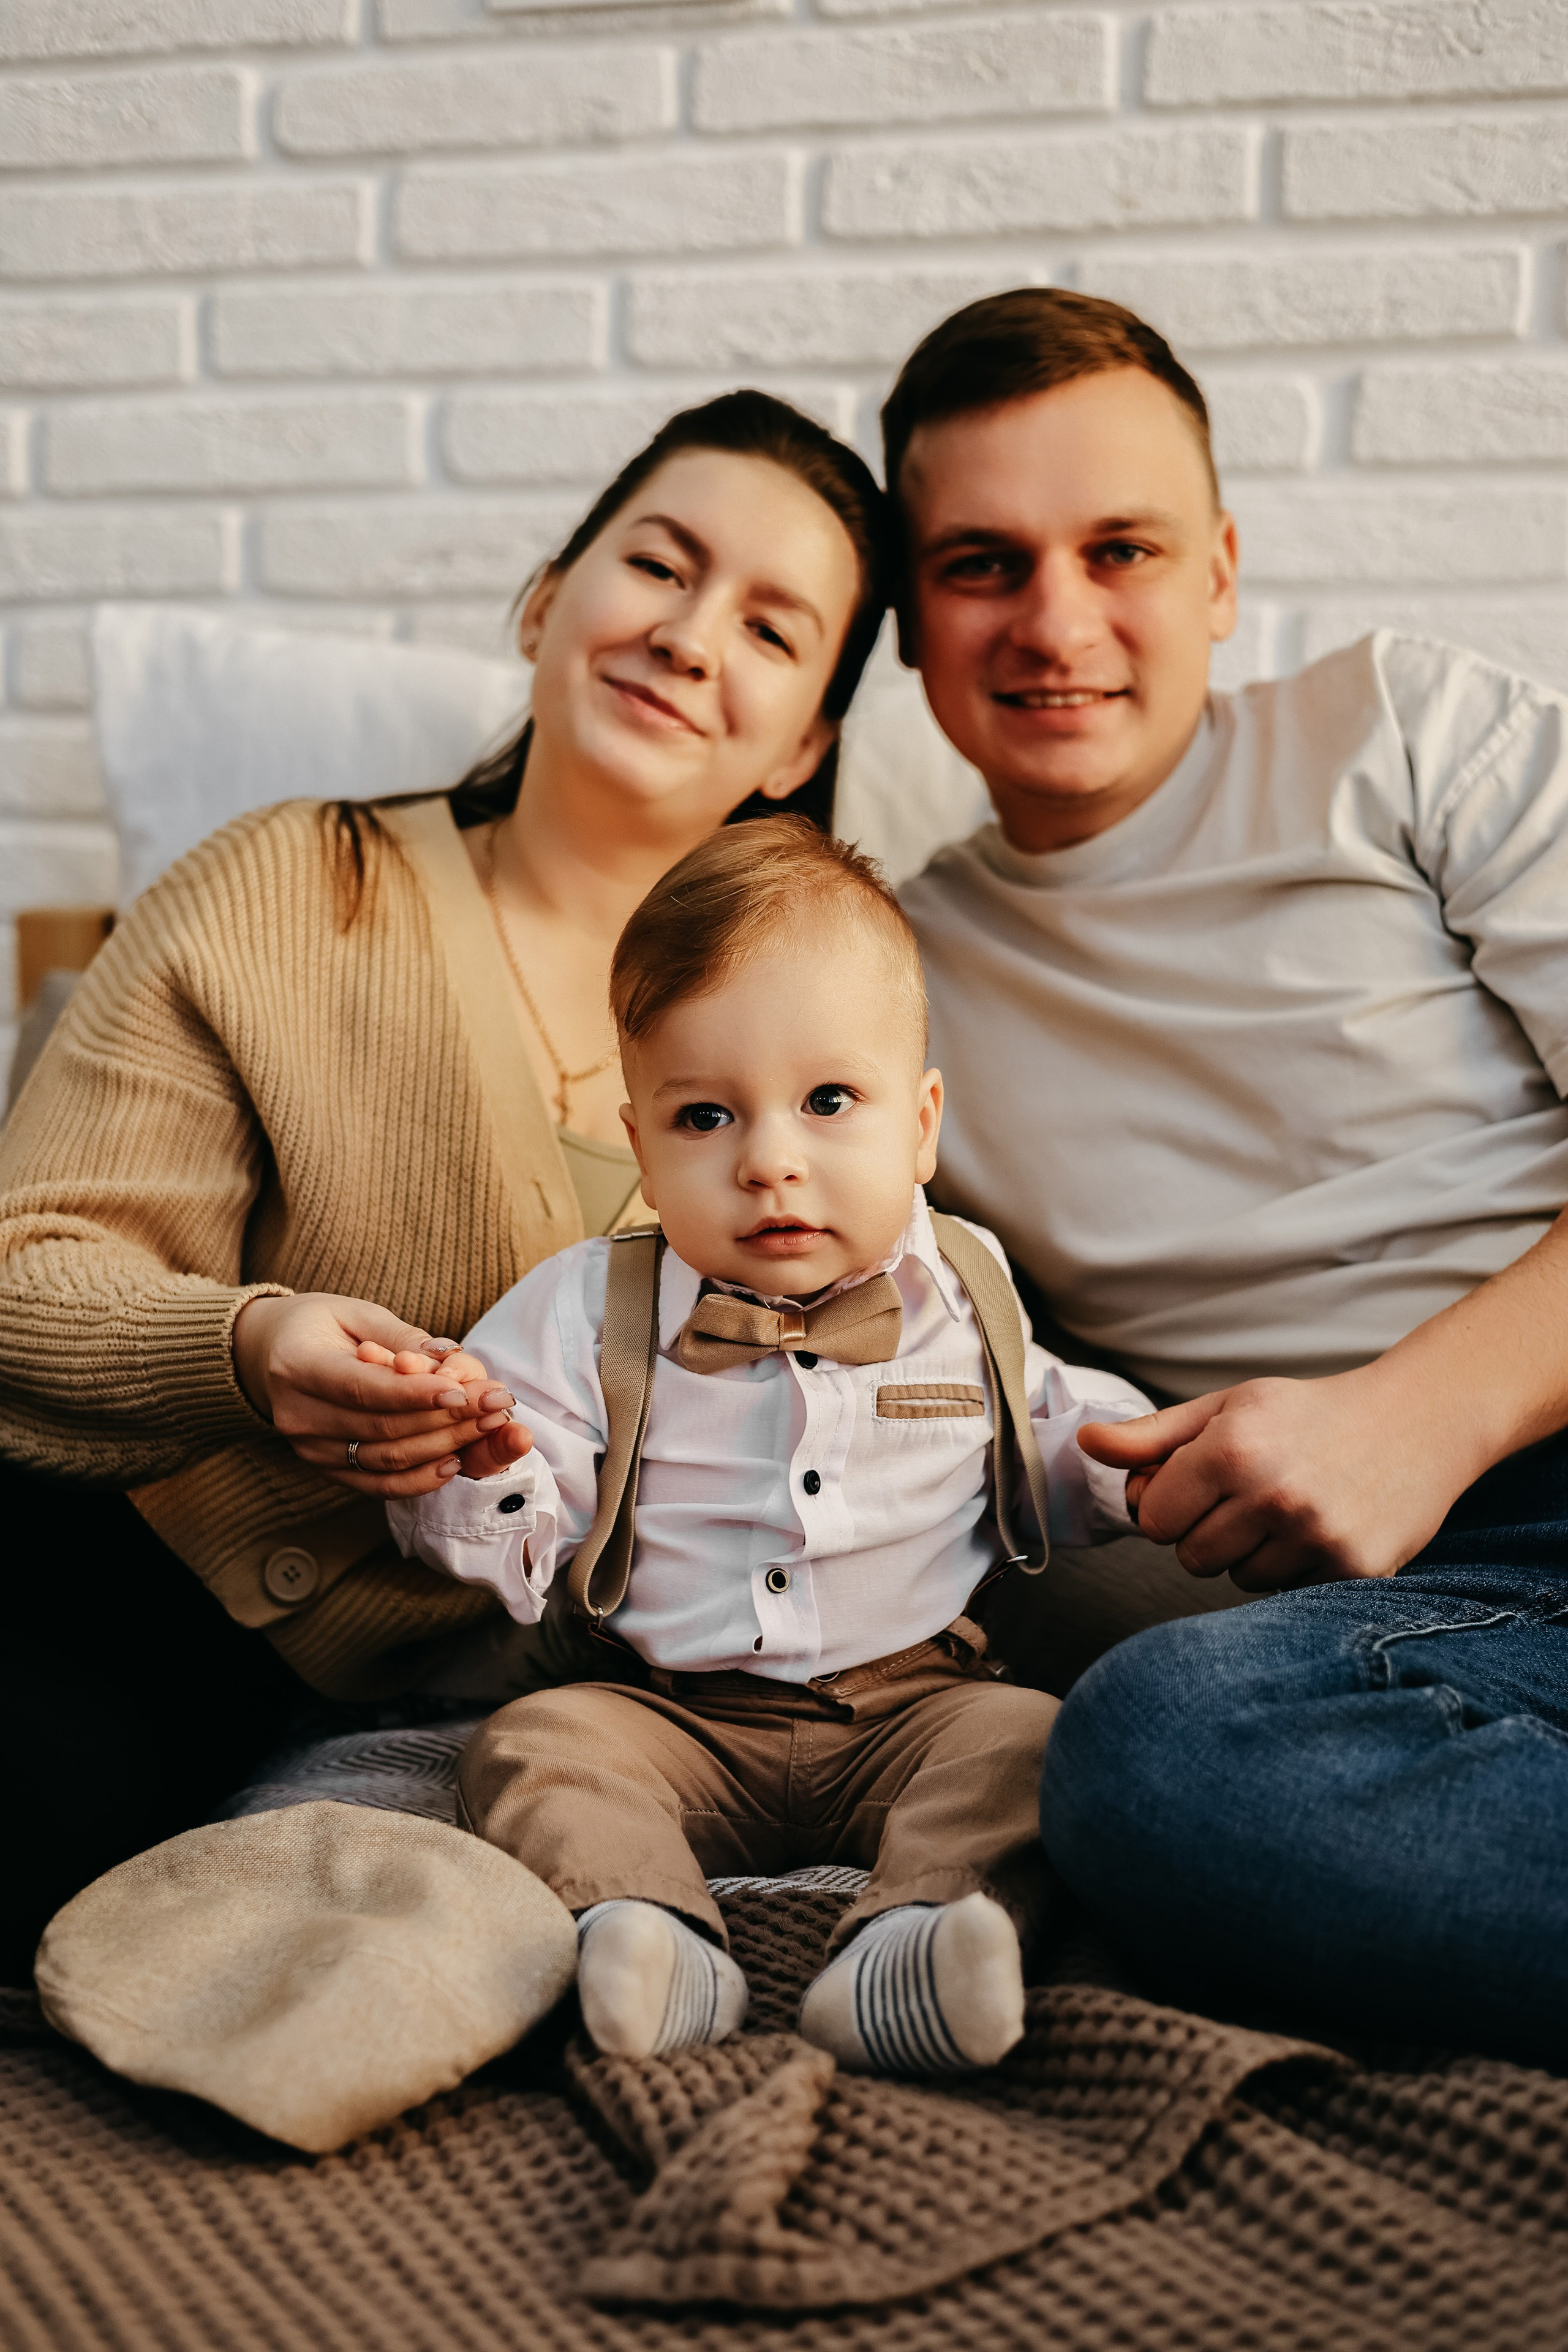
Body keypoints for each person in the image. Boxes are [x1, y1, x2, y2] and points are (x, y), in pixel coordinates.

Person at [0, 391, 890, 1982]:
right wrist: (248, 1350)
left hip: (484, 1715)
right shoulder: (289, 886)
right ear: (552, 599)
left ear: (807, 738)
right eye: (660, 567)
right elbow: (28, 1273)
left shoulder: (836, 1062)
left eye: (771, 627)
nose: (690, 638)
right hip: (105, 1566)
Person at [889, 287, 1568, 2063]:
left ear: (1219, 574)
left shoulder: (1402, 731)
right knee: (1154, 1757)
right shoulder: (889, 974)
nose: (1058, 622)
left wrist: (1417, 1417)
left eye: (1121, 548)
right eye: (981, 563)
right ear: (905, 621)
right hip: (1434, 1620)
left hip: (1487, 1438)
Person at [385, 819, 1147, 2071]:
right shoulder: (588, 1308)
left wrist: (1130, 1462)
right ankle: (644, 1932)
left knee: (1033, 1741)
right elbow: (517, 1517)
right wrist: (480, 1468)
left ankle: (909, 1947)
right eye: (702, 1117)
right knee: (534, 1748)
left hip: (917, 1705)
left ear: (919, 1125)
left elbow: (1047, 1443)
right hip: (668, 1714)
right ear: (639, 1144)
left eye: (828, 1101)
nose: (769, 1162)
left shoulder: (967, 1293)